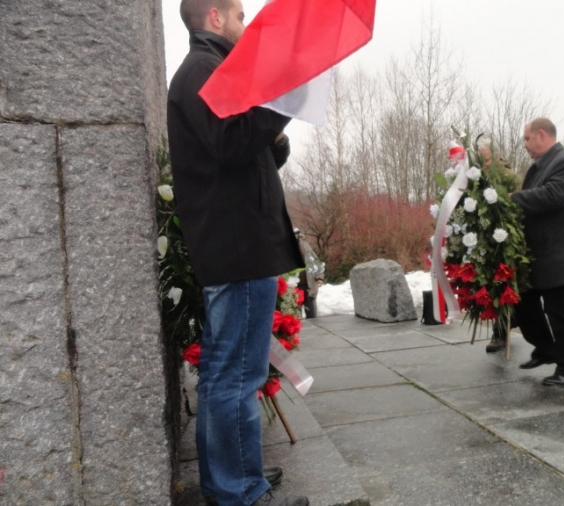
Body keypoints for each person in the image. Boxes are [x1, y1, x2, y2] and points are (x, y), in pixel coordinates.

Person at [168, 1, 308, 505]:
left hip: (237, 245)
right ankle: (239, 491)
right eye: (240, 16)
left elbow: (238, 153)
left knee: (226, 374)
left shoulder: (209, 70)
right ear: (215, 17)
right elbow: (230, 144)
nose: (245, 27)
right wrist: (281, 97)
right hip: (239, 247)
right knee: (236, 376)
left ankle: (231, 477)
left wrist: (274, 135)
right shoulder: (204, 70)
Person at [512, 118, 564, 386]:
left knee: (561, 315)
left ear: (541, 135)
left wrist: (511, 199)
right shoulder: (540, 166)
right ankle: (545, 349)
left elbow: (554, 195)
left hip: (558, 255)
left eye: (527, 138)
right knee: (524, 304)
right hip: (538, 255)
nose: (525, 145)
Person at [477, 137, 522, 353]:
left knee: (504, 282)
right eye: (481, 160)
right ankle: (503, 326)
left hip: (507, 237)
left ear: (496, 156)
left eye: (487, 159)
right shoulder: (478, 177)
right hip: (485, 237)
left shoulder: (509, 176)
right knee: (490, 282)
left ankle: (501, 331)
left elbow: (521, 202)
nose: (485, 164)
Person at [294, 229, 325, 319]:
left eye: (297, 234)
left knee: (312, 317)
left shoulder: (305, 245)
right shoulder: (285, 248)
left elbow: (315, 261)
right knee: (296, 318)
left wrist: (320, 277)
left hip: (309, 286)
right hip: (294, 287)